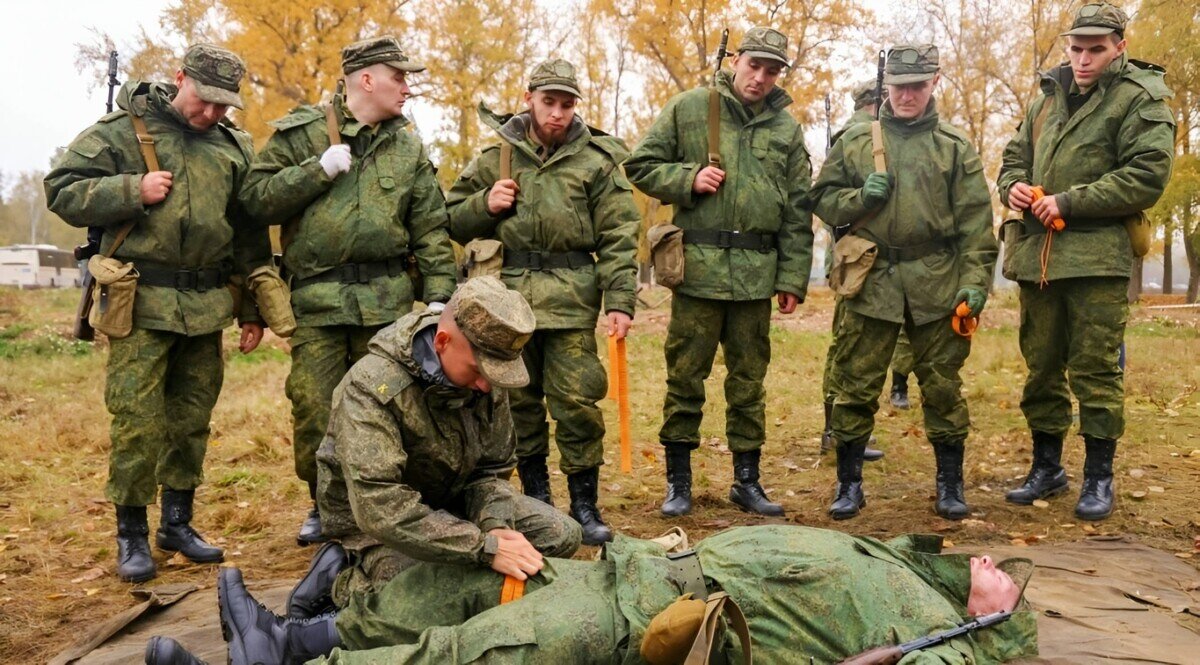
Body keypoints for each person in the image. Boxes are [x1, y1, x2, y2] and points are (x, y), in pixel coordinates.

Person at [44, 44, 271, 583]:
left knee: (191, 421)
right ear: (179, 79)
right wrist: (131, 190)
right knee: (138, 425)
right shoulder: (124, 131)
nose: (214, 113)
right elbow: (60, 190)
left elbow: (249, 232)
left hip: (206, 306)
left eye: (225, 105)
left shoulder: (233, 147)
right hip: (141, 303)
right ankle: (131, 535)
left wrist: (253, 310)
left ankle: (177, 524)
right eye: (206, 100)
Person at [191, 525, 1037, 665]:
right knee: (462, 580)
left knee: (492, 647)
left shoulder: (936, 632)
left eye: (1010, 577)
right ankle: (295, 632)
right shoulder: (900, 560)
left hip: (640, 616)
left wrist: (995, 627)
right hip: (632, 563)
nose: (996, 559)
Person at [239, 36, 457, 545]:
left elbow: (430, 228)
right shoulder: (304, 133)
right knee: (317, 407)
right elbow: (254, 201)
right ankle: (324, 505)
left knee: (393, 407)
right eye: (398, 77)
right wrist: (315, 171)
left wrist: (441, 298)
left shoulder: (407, 145)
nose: (407, 88)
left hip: (386, 305)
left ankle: (389, 505)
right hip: (317, 303)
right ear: (366, 79)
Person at [445, 59, 641, 545]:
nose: (556, 113)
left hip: (571, 301)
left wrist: (620, 300)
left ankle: (584, 505)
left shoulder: (595, 161)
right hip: (507, 307)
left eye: (566, 104)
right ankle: (536, 502)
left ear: (576, 106)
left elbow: (619, 234)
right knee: (518, 406)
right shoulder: (497, 159)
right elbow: (448, 218)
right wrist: (484, 204)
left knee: (577, 401)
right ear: (529, 98)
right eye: (548, 102)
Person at [303, 277, 580, 615]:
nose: (485, 384)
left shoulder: (485, 377)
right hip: (378, 527)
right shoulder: (372, 386)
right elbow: (380, 507)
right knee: (417, 595)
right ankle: (342, 579)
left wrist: (494, 525)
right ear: (443, 341)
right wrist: (484, 548)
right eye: (478, 370)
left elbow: (489, 471)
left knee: (560, 535)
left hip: (451, 504)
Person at [625, 27, 814, 518]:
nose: (760, 77)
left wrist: (792, 278)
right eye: (754, 65)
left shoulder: (786, 130)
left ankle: (746, 481)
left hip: (756, 277)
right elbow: (640, 165)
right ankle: (679, 483)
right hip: (699, 273)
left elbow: (797, 210)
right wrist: (687, 179)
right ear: (737, 60)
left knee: (749, 381)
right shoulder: (691, 108)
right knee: (685, 377)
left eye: (772, 71)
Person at [996, 3, 1175, 521]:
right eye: (1076, 48)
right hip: (1037, 258)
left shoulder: (1140, 99)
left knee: (1096, 370)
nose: (1083, 59)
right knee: (1041, 369)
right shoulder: (1046, 100)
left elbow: (1147, 175)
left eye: (1095, 49)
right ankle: (1046, 468)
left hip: (1096, 258)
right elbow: (1012, 157)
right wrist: (1014, 187)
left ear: (1120, 45)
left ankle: (1099, 478)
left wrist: (1069, 202)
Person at [813, 44, 997, 522]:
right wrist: (856, 199)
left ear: (934, 83)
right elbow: (823, 201)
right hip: (871, 282)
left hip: (937, 285)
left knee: (942, 388)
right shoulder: (856, 141)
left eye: (917, 86)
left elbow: (977, 228)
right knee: (855, 386)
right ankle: (849, 484)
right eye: (899, 87)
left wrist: (975, 284)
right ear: (885, 88)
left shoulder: (954, 148)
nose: (908, 95)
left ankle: (949, 485)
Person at [819, 78, 889, 460]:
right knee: (847, 344)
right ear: (876, 103)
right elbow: (830, 200)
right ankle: (837, 430)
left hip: (852, 255)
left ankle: (838, 428)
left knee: (844, 342)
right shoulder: (858, 136)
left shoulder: (849, 133)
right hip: (857, 256)